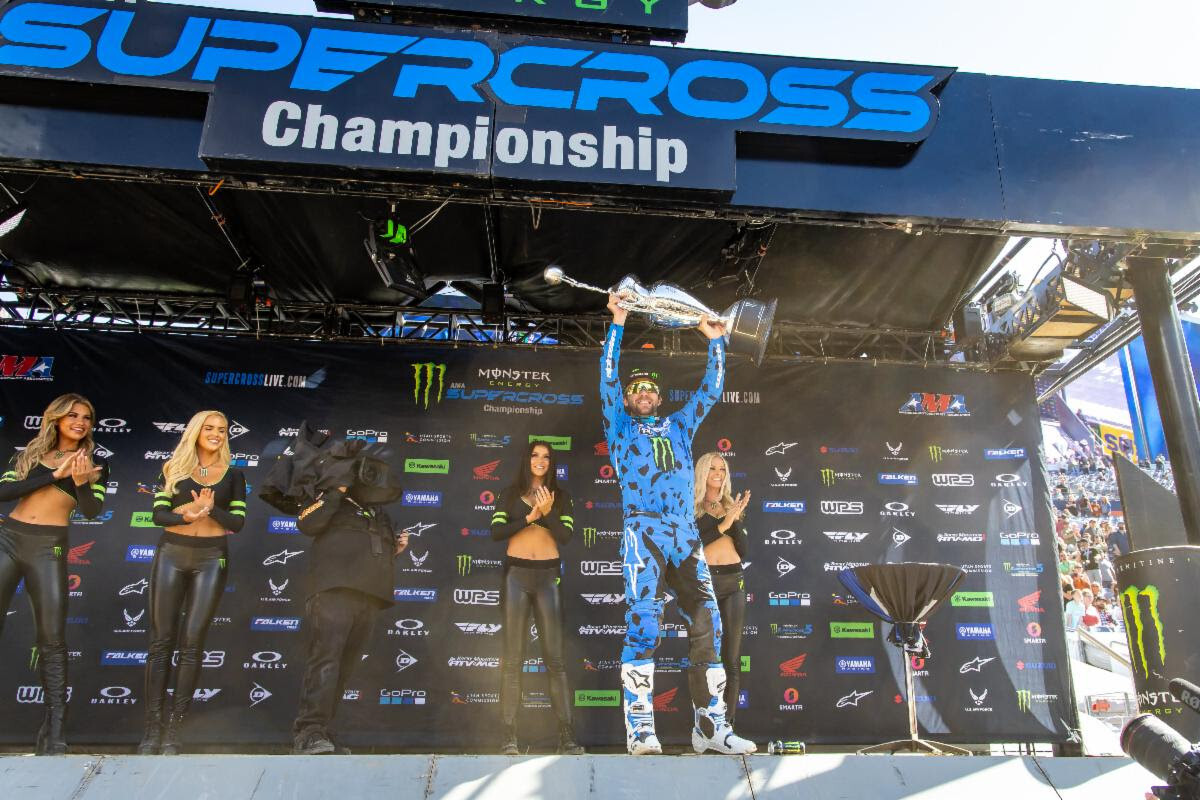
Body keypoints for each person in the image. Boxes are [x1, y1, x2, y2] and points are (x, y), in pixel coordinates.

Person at [600, 291, 755, 756]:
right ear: (628, 399)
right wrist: (618, 322)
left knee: (708, 625)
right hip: (643, 530)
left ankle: (710, 727)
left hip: (684, 533)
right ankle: (641, 730)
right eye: (636, 390)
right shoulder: (620, 426)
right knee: (645, 622)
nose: (642, 394)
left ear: (660, 398)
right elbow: (606, 379)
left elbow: (711, 390)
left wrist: (715, 342)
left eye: (650, 390)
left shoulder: (680, 425)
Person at [0, 393, 108, 755]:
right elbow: (4, 492)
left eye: (87, 417)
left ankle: (55, 730)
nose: (81, 421)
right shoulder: (28, 456)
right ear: (56, 419)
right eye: (73, 415)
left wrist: (77, 481)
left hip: (49, 546)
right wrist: (53, 474)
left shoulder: (96, 464)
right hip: (8, 540)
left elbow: (92, 511)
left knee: (52, 637)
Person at [138, 411, 247, 755]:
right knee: (160, 643)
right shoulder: (173, 468)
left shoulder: (234, 474)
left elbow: (239, 522)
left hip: (211, 557)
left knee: (193, 643)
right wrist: (186, 514)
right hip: (171, 553)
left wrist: (210, 509)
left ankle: (174, 730)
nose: (216, 434)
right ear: (195, 432)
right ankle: (152, 729)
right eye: (209, 428)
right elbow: (158, 516)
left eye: (222, 430)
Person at [291, 459, 408, 755]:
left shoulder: (379, 512)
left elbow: (376, 551)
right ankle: (308, 732)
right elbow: (307, 523)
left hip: (368, 596)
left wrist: (396, 550)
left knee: (344, 666)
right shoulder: (331, 499)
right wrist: (336, 490)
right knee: (326, 660)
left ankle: (324, 733)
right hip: (333, 592)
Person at [490, 440, 583, 755]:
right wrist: (532, 517)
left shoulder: (563, 497)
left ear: (551, 462)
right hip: (515, 575)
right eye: (534, 455)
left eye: (546, 456)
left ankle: (566, 736)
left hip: (548, 577)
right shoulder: (508, 493)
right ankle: (508, 736)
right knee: (512, 660)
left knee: (555, 661)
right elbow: (497, 532)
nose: (540, 460)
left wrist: (546, 513)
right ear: (526, 459)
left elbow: (566, 536)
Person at [691, 452, 750, 727]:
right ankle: (707, 724)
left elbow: (745, 551)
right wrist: (724, 523)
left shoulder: (730, 504)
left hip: (734, 581)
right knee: (707, 657)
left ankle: (728, 724)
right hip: (706, 582)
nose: (718, 473)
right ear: (703, 472)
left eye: (722, 469)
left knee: (731, 658)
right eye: (712, 468)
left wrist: (735, 520)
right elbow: (696, 545)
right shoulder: (691, 506)